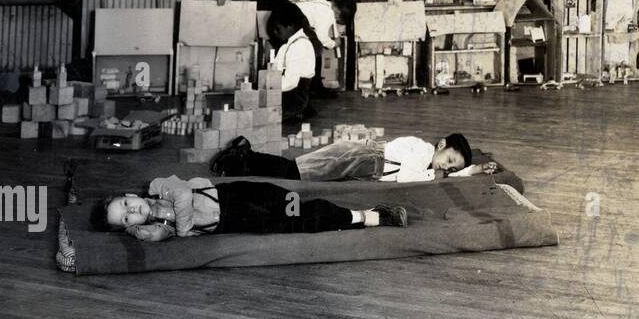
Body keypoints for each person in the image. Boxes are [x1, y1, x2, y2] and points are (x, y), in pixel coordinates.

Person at [89, 175, 410, 242]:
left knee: (297, 207)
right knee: (300, 224)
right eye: (127, 218)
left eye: (126, 203)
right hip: (235, 220)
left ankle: (367, 215)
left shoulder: (158, 185)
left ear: (131, 193)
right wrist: (142, 230)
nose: (134, 209)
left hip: (236, 196)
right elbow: (157, 236)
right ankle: (366, 218)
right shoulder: (150, 225)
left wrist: (181, 229)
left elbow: (184, 196)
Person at [210, 132, 497, 183]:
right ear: (441, 144)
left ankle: (246, 156)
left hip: (364, 158)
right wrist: (435, 174)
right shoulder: (422, 151)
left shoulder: (426, 155)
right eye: (448, 160)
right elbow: (406, 177)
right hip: (366, 158)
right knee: (297, 172)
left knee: (300, 169)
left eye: (451, 168)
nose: (444, 168)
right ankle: (244, 156)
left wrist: (472, 171)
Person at [266, 1, 317, 121]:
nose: (274, 32)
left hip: (293, 100)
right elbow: (275, 70)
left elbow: (290, 82)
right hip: (284, 95)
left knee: (262, 118)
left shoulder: (300, 45)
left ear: (290, 26)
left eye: (278, 29)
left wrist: (268, 86)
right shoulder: (288, 45)